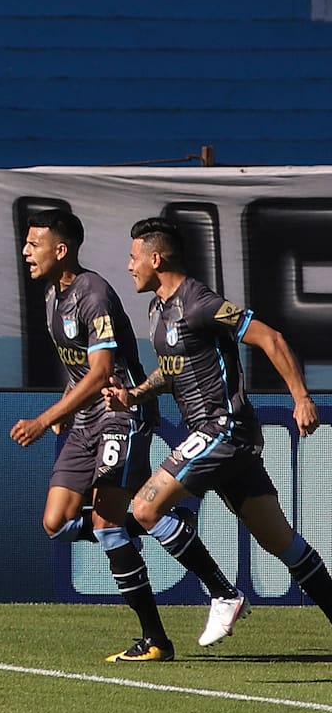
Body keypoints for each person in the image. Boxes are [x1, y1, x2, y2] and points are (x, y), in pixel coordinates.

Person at [11, 209, 241, 662]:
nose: (25, 252)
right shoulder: (53, 296)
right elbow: (79, 365)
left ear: (61, 250)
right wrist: (65, 404)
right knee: (55, 524)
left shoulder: (93, 293)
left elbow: (101, 374)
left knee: (104, 523)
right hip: (84, 421)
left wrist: (43, 419)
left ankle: (157, 636)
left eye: (33, 244)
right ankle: (153, 525)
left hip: (120, 413)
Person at [104, 217, 332, 642]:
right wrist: (135, 395)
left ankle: (223, 593)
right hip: (222, 440)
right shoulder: (158, 311)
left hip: (223, 429)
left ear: (157, 258)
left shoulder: (199, 302)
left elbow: (272, 339)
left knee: (144, 508)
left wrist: (301, 398)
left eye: (134, 258)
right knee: (282, 542)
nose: (129, 266)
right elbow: (172, 371)